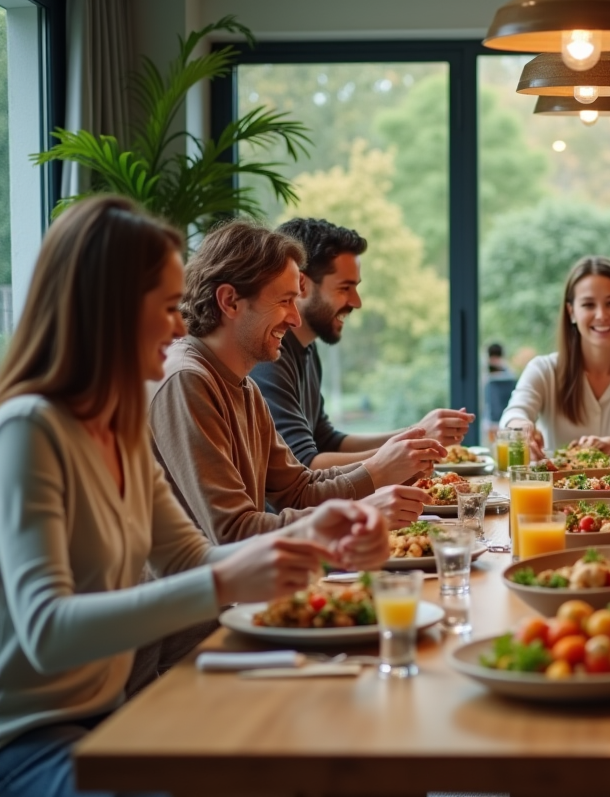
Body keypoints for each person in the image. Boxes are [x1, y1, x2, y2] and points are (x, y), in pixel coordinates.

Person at [0, 196, 389, 797]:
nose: (182, 325)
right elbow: (47, 629)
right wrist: (234, 578)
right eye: (165, 307)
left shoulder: (120, 424)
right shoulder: (31, 429)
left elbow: (190, 558)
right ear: (104, 309)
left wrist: (317, 535)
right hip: (32, 737)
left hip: (110, 711)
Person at [149, 220, 434, 545]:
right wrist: (363, 505)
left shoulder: (244, 387)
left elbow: (299, 490)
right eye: (284, 301)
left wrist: (381, 471)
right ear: (229, 301)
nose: (295, 318)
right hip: (206, 595)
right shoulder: (188, 380)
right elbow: (234, 532)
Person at [250, 218, 474, 470]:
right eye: (345, 288)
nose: (356, 302)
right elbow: (305, 464)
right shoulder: (270, 357)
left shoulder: (306, 349)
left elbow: (326, 440)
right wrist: (408, 448)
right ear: (301, 285)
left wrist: (415, 435)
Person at [499, 256, 610, 461]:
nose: (601, 315)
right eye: (588, 304)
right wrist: (521, 427)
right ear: (571, 312)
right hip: (557, 492)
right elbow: (513, 414)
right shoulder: (543, 369)